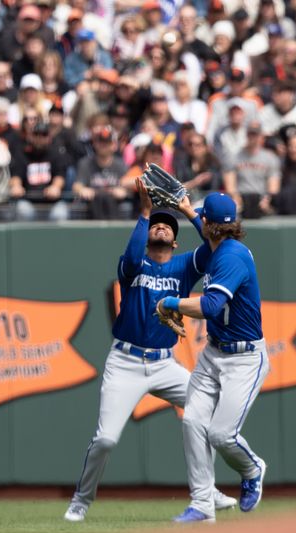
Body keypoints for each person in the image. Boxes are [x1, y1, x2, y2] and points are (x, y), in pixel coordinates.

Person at [63, 178, 236, 523]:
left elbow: (216, 247)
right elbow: (130, 254)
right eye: (156, 224)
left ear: (175, 239)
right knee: (107, 440)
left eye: (166, 226)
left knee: (207, 413)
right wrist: (145, 210)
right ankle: (82, 499)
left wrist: (186, 212)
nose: (161, 227)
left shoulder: (186, 265)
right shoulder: (134, 265)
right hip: (125, 361)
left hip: (164, 364)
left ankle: (207, 491)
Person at [158, 192, 269, 523]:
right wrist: (189, 211)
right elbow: (207, 232)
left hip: (245, 359)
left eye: (203, 218)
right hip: (214, 352)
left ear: (211, 225)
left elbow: (208, 307)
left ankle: (252, 469)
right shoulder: (219, 246)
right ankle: (203, 505)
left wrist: (170, 303)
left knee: (221, 435)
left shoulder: (231, 257)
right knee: (193, 421)